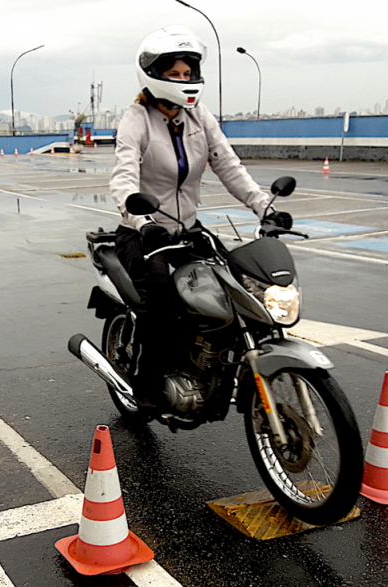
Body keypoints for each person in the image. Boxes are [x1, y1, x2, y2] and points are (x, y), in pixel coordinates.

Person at [109, 25, 290, 413]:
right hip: (141, 232)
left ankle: (217, 364)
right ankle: (147, 383)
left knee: (236, 283)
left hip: (187, 230)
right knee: (159, 300)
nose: (184, 81)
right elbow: (123, 179)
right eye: (174, 74)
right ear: (154, 75)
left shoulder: (199, 116)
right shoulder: (136, 119)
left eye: (188, 73)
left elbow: (229, 166)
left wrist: (265, 208)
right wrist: (144, 222)